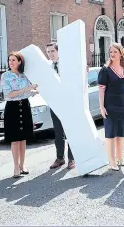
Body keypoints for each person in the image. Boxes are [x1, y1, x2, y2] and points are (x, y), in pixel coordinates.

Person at [1, 51, 38, 178]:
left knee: (23, 138)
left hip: (25, 106)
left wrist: (34, 92)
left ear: (19, 62)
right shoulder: (5, 76)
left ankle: (23, 165)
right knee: (15, 139)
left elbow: (28, 92)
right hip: (12, 108)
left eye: (13, 60)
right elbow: (9, 94)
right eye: (9, 60)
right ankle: (16, 167)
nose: (11, 62)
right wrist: (27, 89)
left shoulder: (25, 75)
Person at [98, 43, 124, 171]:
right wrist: (102, 107)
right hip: (110, 105)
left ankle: (120, 158)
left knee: (121, 133)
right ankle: (111, 161)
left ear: (121, 53)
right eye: (110, 52)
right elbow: (101, 90)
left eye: (115, 52)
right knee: (110, 133)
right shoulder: (105, 70)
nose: (112, 54)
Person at [46, 42, 75, 170]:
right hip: (55, 103)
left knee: (70, 131)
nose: (51, 54)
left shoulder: (67, 65)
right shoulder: (47, 66)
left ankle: (72, 159)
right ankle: (60, 158)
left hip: (68, 103)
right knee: (58, 133)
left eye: (53, 51)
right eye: (48, 52)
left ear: (58, 51)